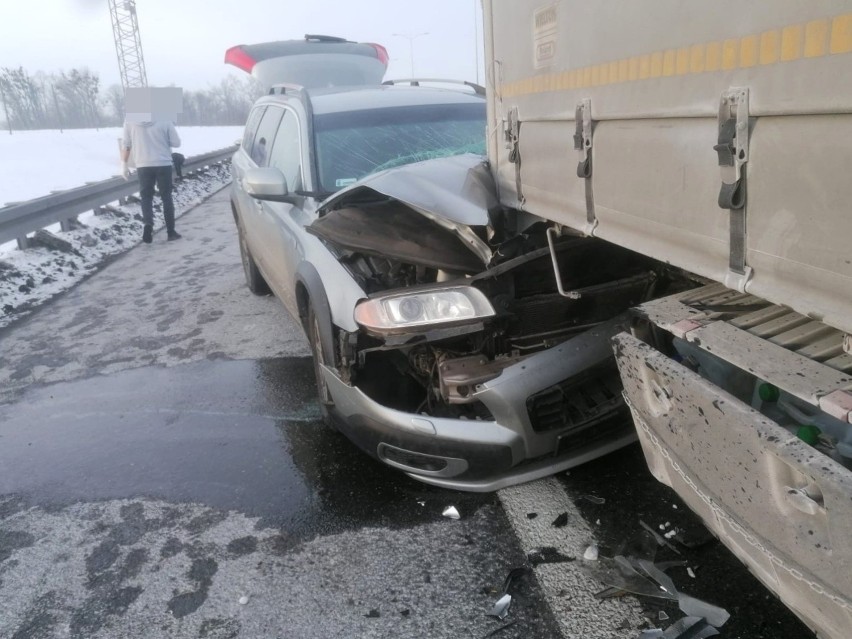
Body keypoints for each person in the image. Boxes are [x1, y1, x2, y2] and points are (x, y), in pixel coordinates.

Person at [121, 118, 182, 243]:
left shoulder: (130, 121)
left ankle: (148, 225)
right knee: (166, 197)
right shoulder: (164, 118)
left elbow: (126, 145)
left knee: (146, 197)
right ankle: (171, 232)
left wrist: (124, 165)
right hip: (163, 163)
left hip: (142, 164)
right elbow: (176, 143)